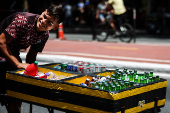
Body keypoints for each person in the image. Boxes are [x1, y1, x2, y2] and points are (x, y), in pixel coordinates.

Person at [0, 5, 65, 113]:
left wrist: (34, 73)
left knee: (18, 91)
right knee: (8, 86)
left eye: (49, 22)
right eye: (44, 16)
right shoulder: (23, 20)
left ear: (55, 27)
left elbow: (31, 56)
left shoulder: (45, 35)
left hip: (12, 51)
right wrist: (18, 64)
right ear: (43, 11)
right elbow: (1, 42)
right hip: (2, 47)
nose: (43, 22)